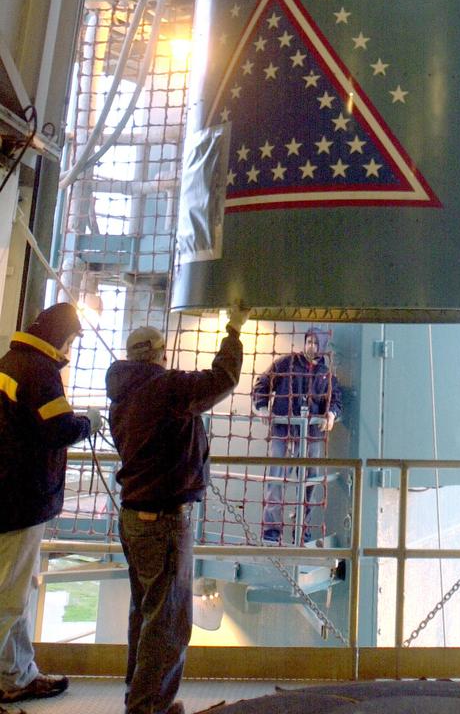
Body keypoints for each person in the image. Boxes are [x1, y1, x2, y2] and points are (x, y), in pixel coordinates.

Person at [106, 305, 249, 714]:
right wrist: (234, 331)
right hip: (163, 519)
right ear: (159, 354)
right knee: (167, 622)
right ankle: (149, 707)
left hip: (135, 517)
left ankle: (145, 699)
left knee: (147, 616)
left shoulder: (122, 393)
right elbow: (222, 379)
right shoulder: (165, 388)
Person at [0, 301, 99, 703]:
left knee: (14, 595)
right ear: (60, 336)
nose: (71, 347)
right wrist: (90, 421)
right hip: (22, 501)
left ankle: (16, 676)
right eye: (73, 338)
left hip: (9, 496)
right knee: (8, 599)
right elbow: (58, 428)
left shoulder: (10, 362)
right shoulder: (40, 372)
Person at [252, 327, 342, 544]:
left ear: (322, 346)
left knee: (309, 484)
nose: (311, 346)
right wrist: (262, 407)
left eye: (315, 342)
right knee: (276, 482)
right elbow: (262, 384)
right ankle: (271, 534)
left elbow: (336, 400)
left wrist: (331, 414)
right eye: (308, 341)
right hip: (283, 433)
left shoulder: (326, 375)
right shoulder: (287, 364)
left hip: (311, 437)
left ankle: (302, 533)